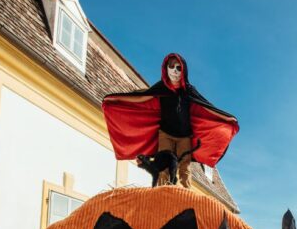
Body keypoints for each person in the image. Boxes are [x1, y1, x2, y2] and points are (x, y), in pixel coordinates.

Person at [102, 53, 239, 187]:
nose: (175, 70)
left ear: (183, 71)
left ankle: (186, 193)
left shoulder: (188, 90)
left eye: (178, 68)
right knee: (164, 166)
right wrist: (117, 98)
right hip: (165, 134)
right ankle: (163, 192)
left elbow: (206, 106)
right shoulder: (161, 87)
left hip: (184, 136)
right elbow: (142, 97)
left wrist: (225, 118)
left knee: (184, 166)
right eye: (171, 66)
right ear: (166, 69)